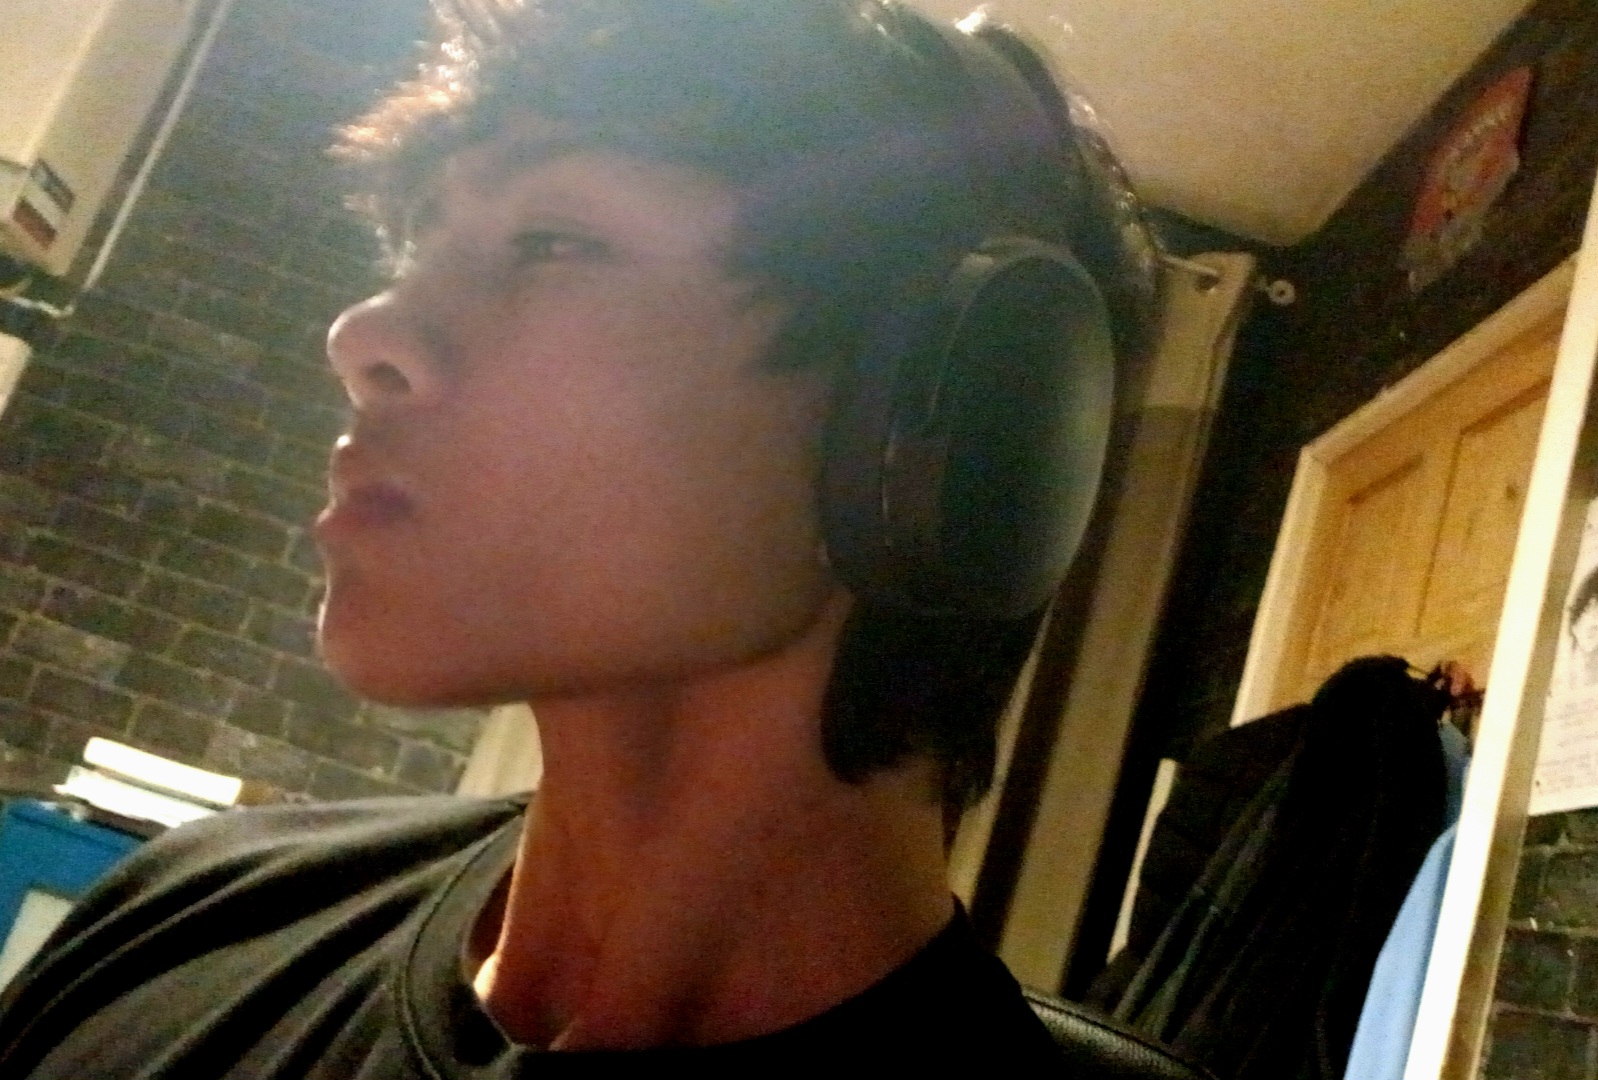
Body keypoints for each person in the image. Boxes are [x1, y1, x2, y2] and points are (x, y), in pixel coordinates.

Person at [0, 0, 1156, 1071]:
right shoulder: (185, 913)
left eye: (552, 240)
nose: (363, 333)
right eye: (417, 244)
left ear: (957, 410)